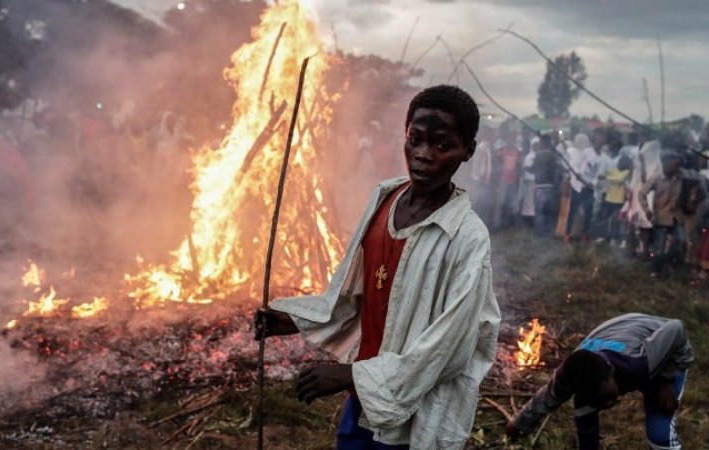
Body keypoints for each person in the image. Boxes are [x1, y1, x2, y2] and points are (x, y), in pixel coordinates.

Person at [255, 85, 501, 449]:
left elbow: (448, 348)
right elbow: (358, 292)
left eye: (441, 145)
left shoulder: (467, 239)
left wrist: (350, 374)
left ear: (468, 151)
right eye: (414, 140)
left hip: (415, 413)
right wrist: (291, 320)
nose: (423, 155)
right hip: (366, 399)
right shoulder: (385, 198)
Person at [507, 313, 694, 450]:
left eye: (610, 396)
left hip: (660, 344)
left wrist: (666, 380)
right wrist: (518, 423)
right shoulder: (569, 376)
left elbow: (676, 328)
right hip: (619, 334)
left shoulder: (638, 362)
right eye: (599, 402)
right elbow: (543, 400)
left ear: (611, 373)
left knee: (659, 437)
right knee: (586, 428)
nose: (610, 404)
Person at [640, 152, 706, 277]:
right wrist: (647, 210)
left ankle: (665, 263)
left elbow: (699, 186)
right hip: (660, 218)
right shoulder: (657, 178)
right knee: (658, 248)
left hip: (676, 219)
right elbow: (641, 194)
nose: (676, 168)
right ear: (665, 164)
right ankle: (655, 271)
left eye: (677, 165)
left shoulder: (682, 177)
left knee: (680, 242)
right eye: (673, 165)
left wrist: (696, 195)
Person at [565, 133, 601, 243]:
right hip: (576, 187)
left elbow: (596, 172)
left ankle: (584, 235)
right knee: (573, 211)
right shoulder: (574, 153)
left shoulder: (593, 155)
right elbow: (573, 167)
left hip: (588, 188)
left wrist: (592, 183)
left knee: (587, 212)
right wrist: (576, 174)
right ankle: (569, 234)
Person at [532, 134, 561, 237]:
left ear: (542, 143)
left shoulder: (538, 155)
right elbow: (555, 171)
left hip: (540, 186)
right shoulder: (553, 156)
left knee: (540, 211)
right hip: (550, 186)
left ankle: (540, 233)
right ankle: (549, 232)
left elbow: (533, 169)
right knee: (549, 211)